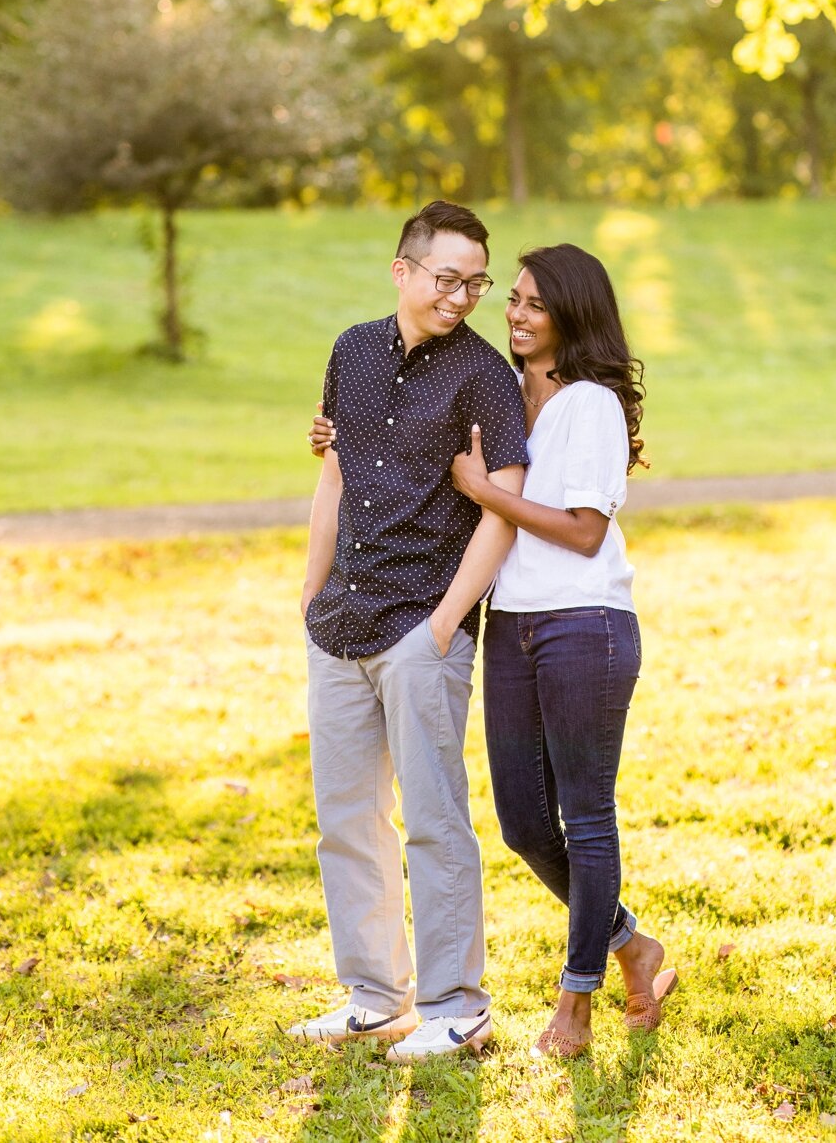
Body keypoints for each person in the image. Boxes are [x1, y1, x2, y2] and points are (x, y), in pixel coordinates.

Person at [316, 242, 675, 1060]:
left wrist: (487, 492)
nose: (513, 313)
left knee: (585, 816)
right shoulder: (504, 389)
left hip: (586, 624)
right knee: (521, 820)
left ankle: (576, 1000)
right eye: (509, 298)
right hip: (509, 619)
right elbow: (411, 442)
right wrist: (341, 431)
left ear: (572, 314)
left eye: (532, 304)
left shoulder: (592, 403)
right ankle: (631, 945)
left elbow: (585, 532)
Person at [288, 200, 532, 1060]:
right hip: (341, 620)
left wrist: (444, 623)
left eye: (476, 281)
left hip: (420, 628)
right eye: (446, 277)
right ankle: (373, 996)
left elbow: (501, 513)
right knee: (347, 818)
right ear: (403, 271)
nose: (462, 296)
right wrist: (310, 592)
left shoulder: (485, 376)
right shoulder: (351, 351)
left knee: (433, 818)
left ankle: (458, 1005)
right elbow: (334, 475)